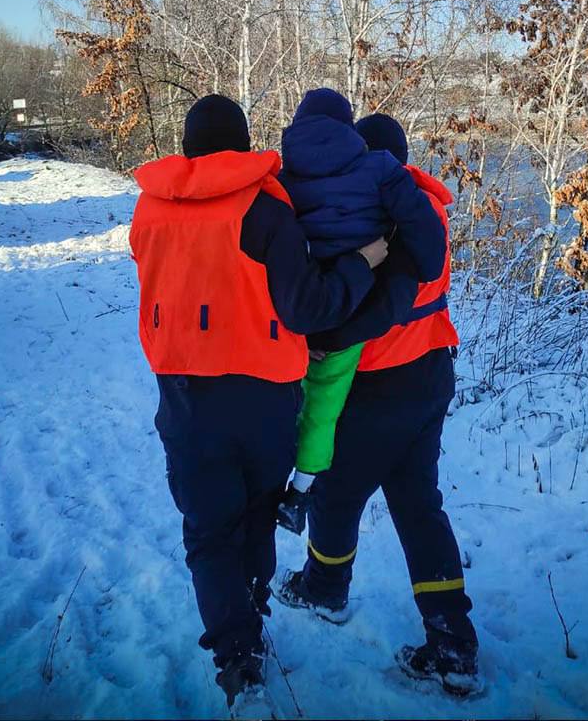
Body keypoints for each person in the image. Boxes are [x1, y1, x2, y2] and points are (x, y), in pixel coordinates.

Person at [129, 94, 388, 709]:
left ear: (187, 143)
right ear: (244, 144)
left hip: (186, 393)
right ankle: (253, 609)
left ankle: (238, 659)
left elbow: (151, 268)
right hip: (264, 396)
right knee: (255, 511)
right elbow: (306, 307)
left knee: (208, 529)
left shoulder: (150, 208)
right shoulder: (267, 205)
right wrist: (361, 263)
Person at [274, 112, 481, 698]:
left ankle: (323, 588)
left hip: (373, 384)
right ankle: (453, 645)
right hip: (432, 375)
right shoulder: (429, 209)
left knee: (338, 494)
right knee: (420, 507)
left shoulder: (376, 217)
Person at [274, 89, 446, 534]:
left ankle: (318, 569)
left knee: (336, 482)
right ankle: (442, 601)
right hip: (413, 364)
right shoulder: (404, 203)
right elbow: (419, 271)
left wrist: (314, 332)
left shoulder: (284, 177)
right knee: (418, 500)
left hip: (326, 331)